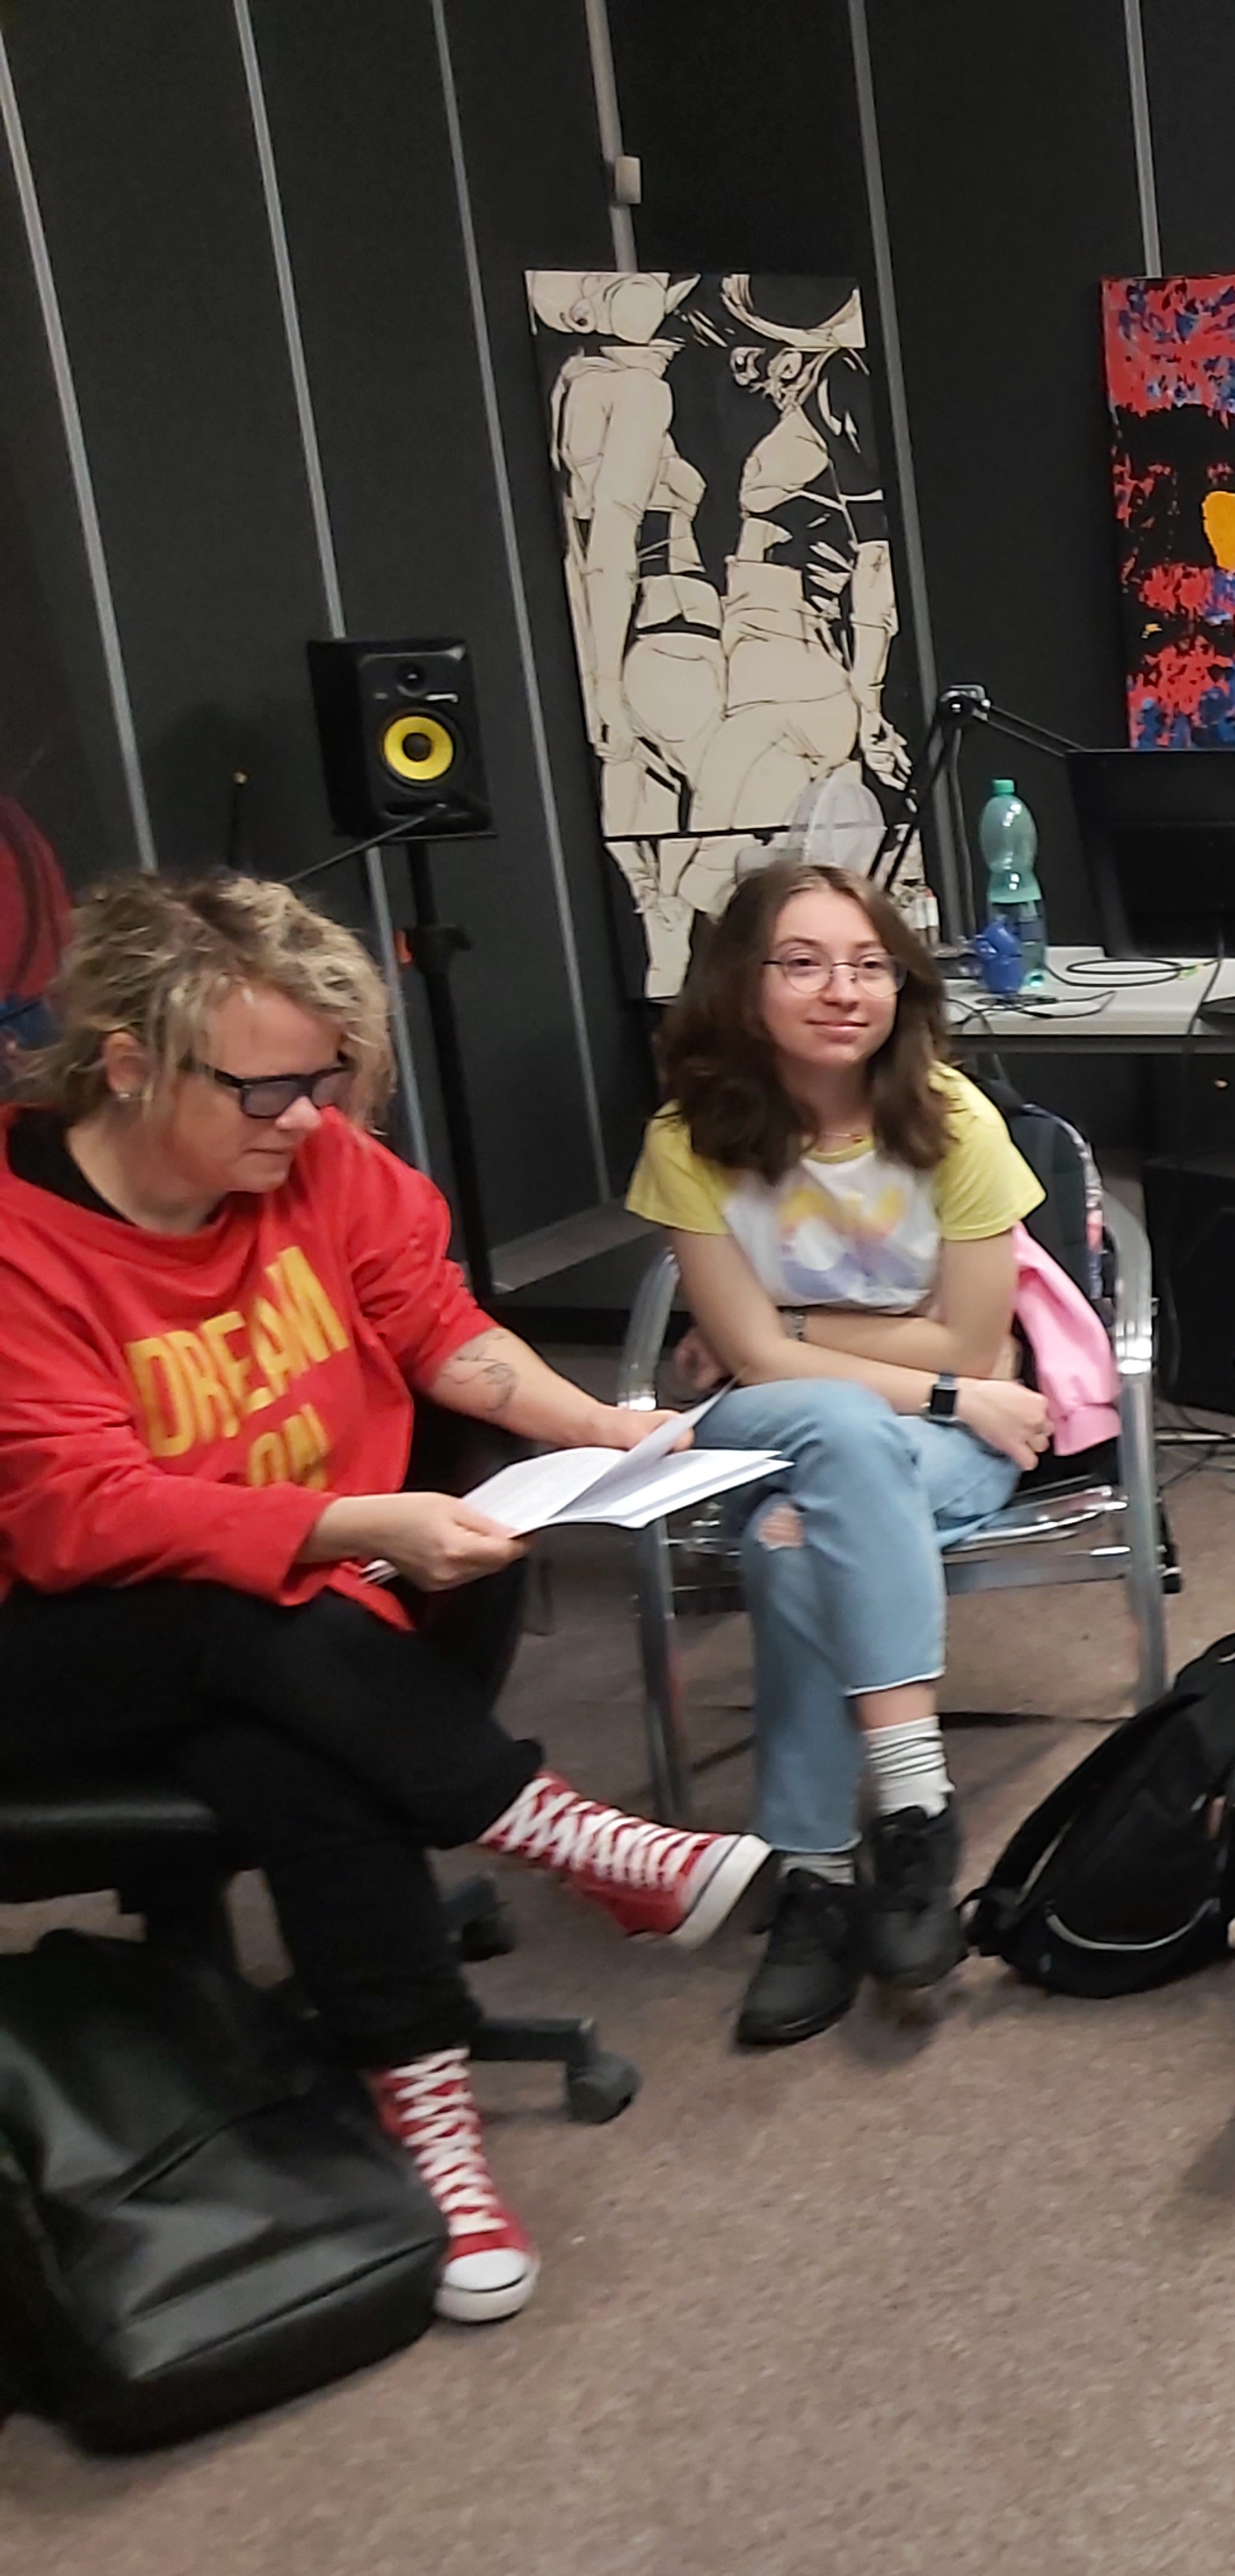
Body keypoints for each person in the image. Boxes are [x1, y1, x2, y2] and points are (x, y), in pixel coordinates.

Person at [0, 873, 773, 2323]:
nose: (307, 1120)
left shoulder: (315, 1161)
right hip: (47, 1646)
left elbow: (435, 1328)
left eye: (327, 1081)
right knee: (257, 1602)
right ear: (128, 1062)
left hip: (292, 1650)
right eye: (266, 1089)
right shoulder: (18, 1240)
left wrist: (592, 1426)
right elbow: (75, 1515)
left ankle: (427, 2111)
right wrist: (351, 1524)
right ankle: (555, 1828)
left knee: (289, 1731)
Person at [629, 861, 1056, 2049]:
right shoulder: (689, 1138)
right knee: (842, 1430)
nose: (842, 990)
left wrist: (792, 1328)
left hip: (936, 1443)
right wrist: (928, 1379)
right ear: (742, 982)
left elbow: (965, 1335)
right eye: (804, 963)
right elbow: (764, 1364)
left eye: (869, 965)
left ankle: (813, 1872)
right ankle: (915, 1809)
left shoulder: (953, 1120)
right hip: (804, 1424)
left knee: (795, 1542)